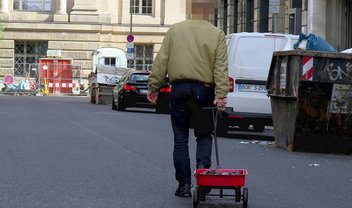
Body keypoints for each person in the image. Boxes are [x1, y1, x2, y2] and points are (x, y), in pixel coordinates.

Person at [147, 14, 229, 197]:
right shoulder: (217, 33)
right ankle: (203, 175)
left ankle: (183, 185)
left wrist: (154, 87)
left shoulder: (175, 30)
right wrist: (221, 94)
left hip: (180, 89)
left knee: (181, 138)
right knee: (204, 134)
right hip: (204, 91)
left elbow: (161, 61)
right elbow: (220, 66)